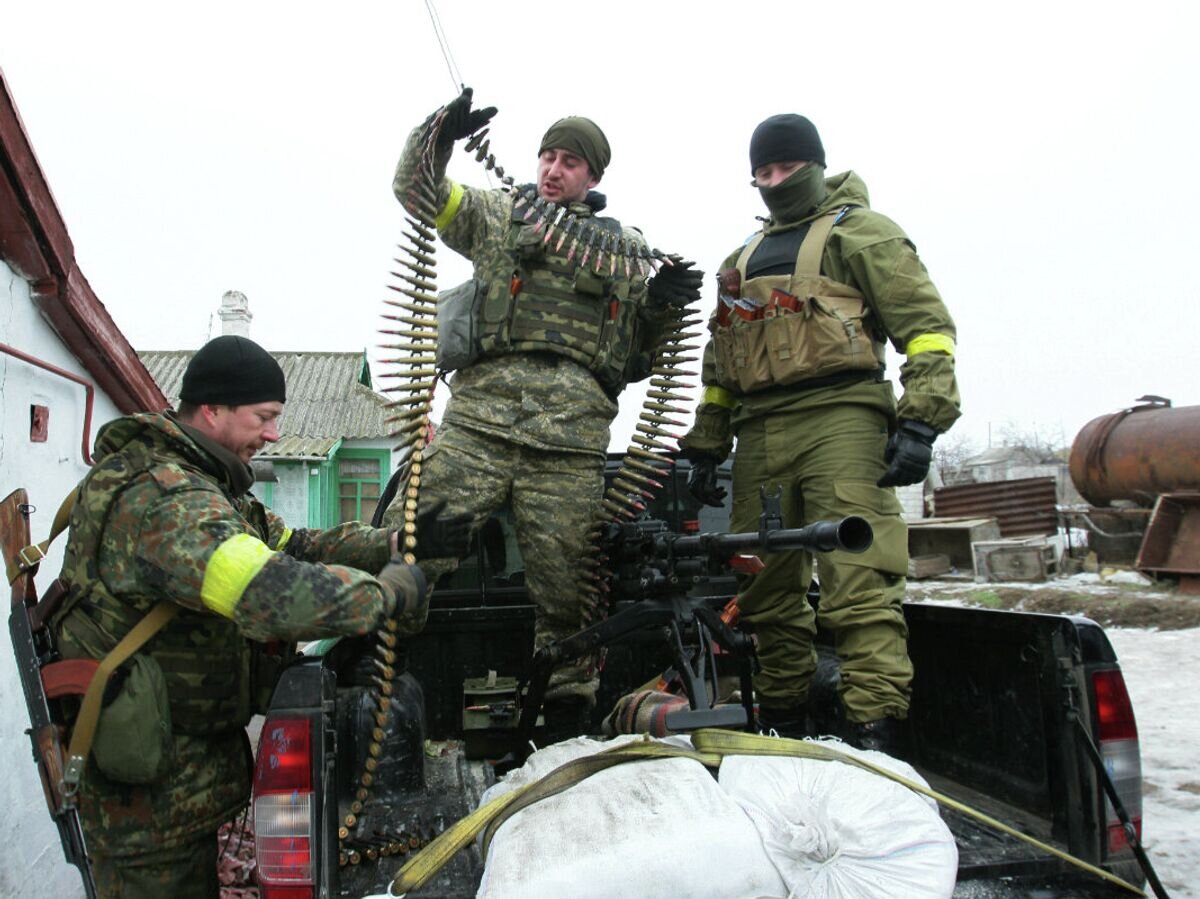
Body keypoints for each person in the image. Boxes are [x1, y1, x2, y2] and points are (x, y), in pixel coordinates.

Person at [49, 335, 470, 899]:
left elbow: (294, 545)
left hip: (176, 777)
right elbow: (265, 591)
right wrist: (384, 595)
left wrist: (391, 541)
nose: (273, 433)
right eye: (264, 417)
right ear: (212, 409)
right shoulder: (166, 498)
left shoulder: (208, 488)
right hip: (145, 808)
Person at [385, 88, 703, 733]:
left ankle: (565, 710)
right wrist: (439, 134)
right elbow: (415, 191)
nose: (553, 170)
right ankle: (375, 662)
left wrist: (664, 305)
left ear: (593, 175)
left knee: (572, 591)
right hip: (480, 426)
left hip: (570, 445)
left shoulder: (625, 253)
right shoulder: (497, 216)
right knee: (408, 540)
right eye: (547, 156)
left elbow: (639, 356)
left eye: (570, 161)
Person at [679, 114, 961, 755]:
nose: (776, 182)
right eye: (764, 173)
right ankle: (784, 725)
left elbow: (927, 328)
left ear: (816, 164)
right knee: (766, 590)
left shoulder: (863, 234)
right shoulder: (739, 261)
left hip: (843, 420)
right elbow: (720, 367)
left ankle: (874, 738)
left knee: (857, 586)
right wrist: (706, 444)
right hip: (760, 435)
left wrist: (922, 420)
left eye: (787, 168)